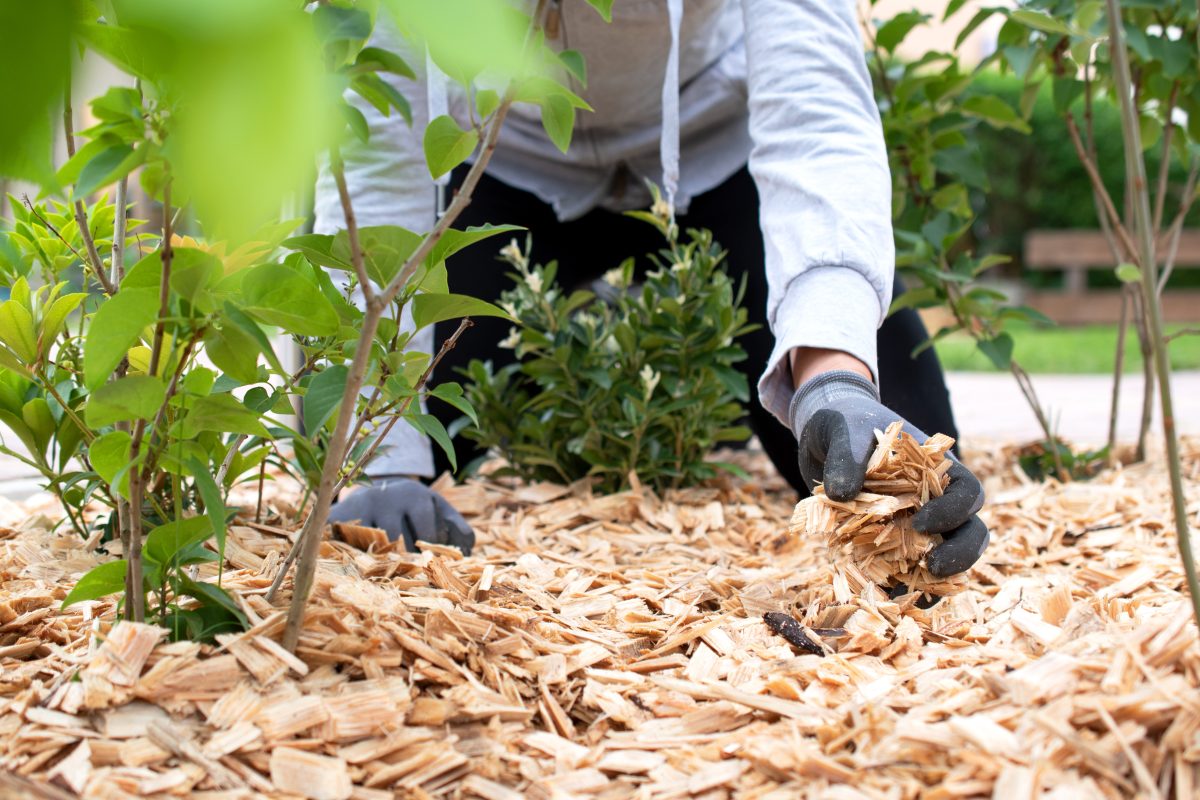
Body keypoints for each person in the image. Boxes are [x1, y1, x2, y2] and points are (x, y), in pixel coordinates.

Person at [318, 0, 989, 579]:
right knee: (403, 446)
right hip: (508, 154)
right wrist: (380, 462)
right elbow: (377, 149)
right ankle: (627, 353)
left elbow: (818, 117)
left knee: (901, 463)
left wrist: (833, 380)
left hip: (710, 143)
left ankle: (691, 376)